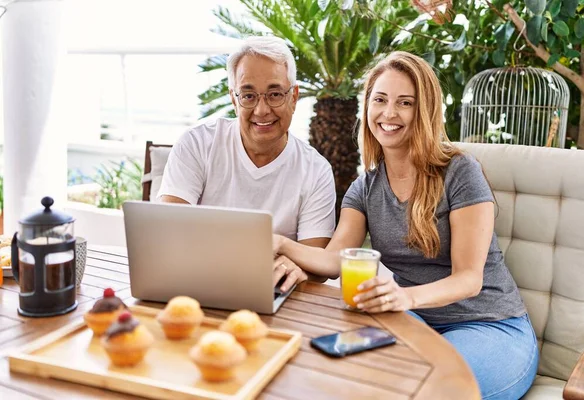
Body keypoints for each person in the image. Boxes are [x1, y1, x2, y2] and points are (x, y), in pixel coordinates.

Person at [272, 52, 538, 399]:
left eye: (405, 103)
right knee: (339, 373)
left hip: (489, 325)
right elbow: (336, 260)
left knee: (429, 391)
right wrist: (280, 243)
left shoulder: (460, 173)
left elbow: (469, 279)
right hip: (413, 321)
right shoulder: (365, 188)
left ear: (424, 110)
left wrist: (404, 296)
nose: (389, 113)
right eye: (380, 100)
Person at [158, 36, 336, 291]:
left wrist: (293, 266)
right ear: (234, 99)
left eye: (275, 94)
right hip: (196, 284)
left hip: (275, 294)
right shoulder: (197, 144)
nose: (262, 110)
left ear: (294, 97)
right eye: (249, 95)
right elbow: (168, 231)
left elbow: (314, 264)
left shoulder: (316, 171)